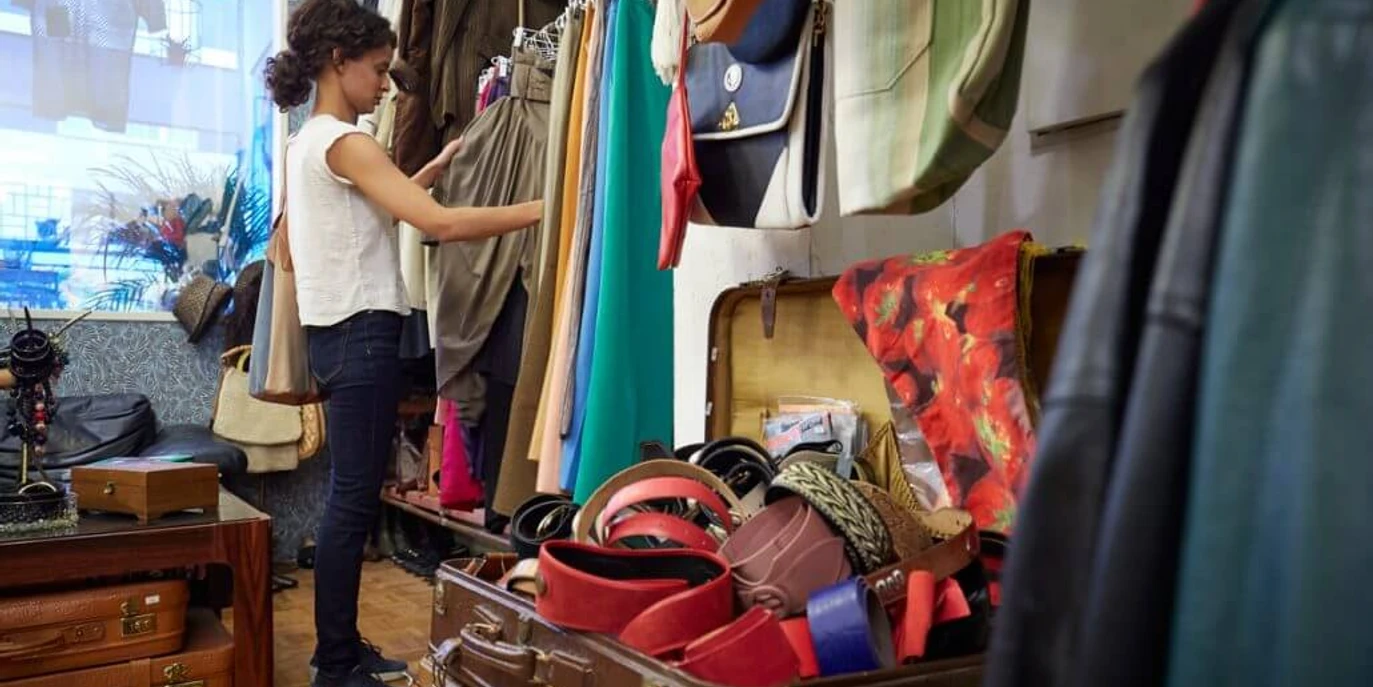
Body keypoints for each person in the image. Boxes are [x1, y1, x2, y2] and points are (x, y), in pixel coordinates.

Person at [262, 1, 542, 685]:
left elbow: (368, 215)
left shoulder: (310, 141)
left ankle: (343, 646)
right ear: (339, 60)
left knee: (348, 497)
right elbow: (437, 226)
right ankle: (333, 662)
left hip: (341, 336)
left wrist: (431, 166)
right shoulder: (346, 141)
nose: (387, 86)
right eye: (380, 70)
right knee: (351, 500)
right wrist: (552, 204)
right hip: (362, 336)